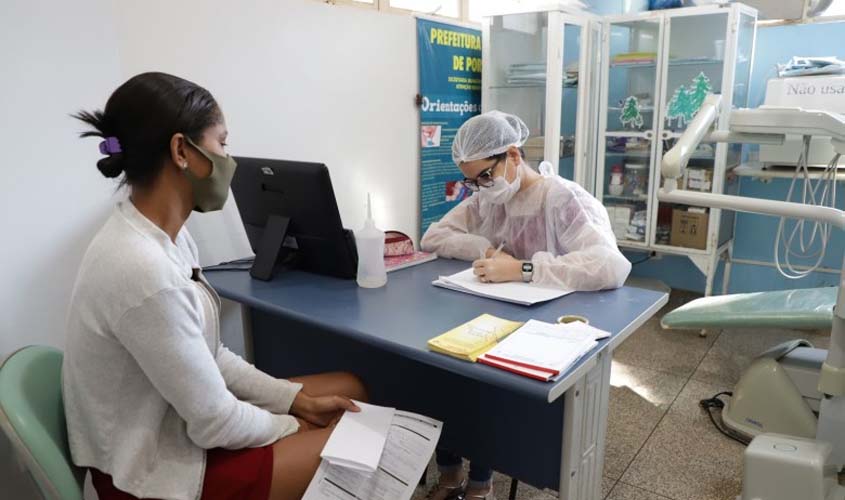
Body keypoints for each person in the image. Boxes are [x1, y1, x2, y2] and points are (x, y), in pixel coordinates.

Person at [63, 72, 368, 500]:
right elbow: (215, 422)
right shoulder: (143, 269)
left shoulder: (162, 235)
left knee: (350, 389)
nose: (229, 158)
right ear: (181, 150)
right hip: (151, 475)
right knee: (362, 453)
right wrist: (293, 425)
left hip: (173, 433)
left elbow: (211, 354)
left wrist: (296, 400)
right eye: (222, 143)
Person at [420, 111, 631, 499]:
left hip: (544, 327)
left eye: (486, 175)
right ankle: (450, 473)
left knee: (488, 395)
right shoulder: (487, 200)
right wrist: (482, 248)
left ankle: (481, 484)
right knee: (439, 375)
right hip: (488, 315)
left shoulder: (561, 198)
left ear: (514, 155)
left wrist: (524, 268)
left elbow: (610, 265)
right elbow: (434, 236)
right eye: (471, 180)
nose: (480, 187)